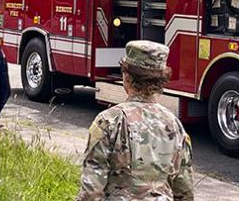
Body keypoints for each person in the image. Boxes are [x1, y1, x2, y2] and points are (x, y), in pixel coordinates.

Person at [76, 40, 194, 201]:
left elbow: (91, 192)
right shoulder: (175, 125)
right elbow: (185, 193)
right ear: (161, 82)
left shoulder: (108, 121)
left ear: (126, 76)